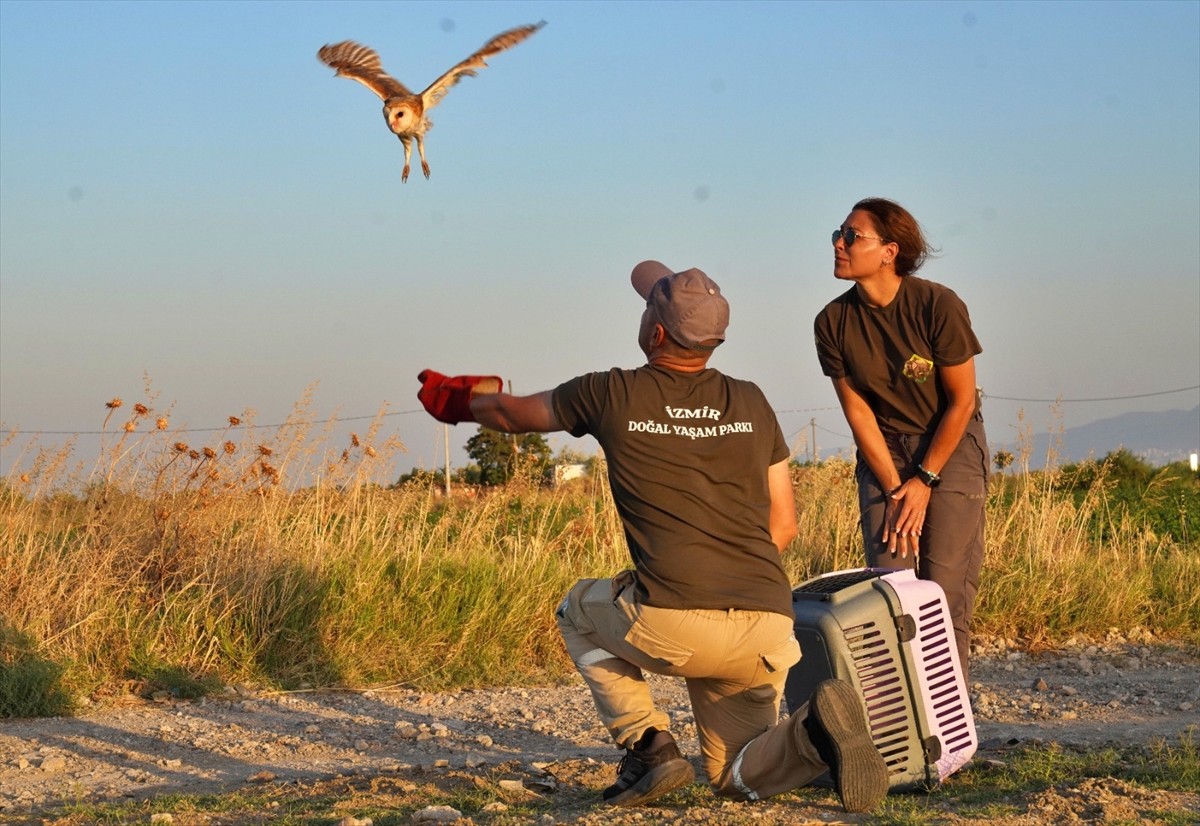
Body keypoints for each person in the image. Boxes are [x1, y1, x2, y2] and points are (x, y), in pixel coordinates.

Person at [416, 261, 888, 812]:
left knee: (577, 610)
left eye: (647, 309)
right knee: (735, 775)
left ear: (656, 333)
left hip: (672, 618)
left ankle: (648, 745)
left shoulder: (609, 392)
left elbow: (510, 412)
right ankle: (815, 732)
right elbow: (784, 524)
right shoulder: (752, 401)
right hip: (765, 620)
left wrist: (457, 401)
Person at [814, 197, 989, 680]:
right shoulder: (832, 322)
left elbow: (962, 402)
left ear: (890, 251)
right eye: (838, 233)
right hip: (884, 453)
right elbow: (858, 412)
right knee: (892, 591)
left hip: (947, 447)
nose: (838, 244)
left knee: (943, 592)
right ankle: (906, 733)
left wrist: (925, 480)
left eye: (852, 236)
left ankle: (950, 740)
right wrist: (896, 487)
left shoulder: (938, 304)